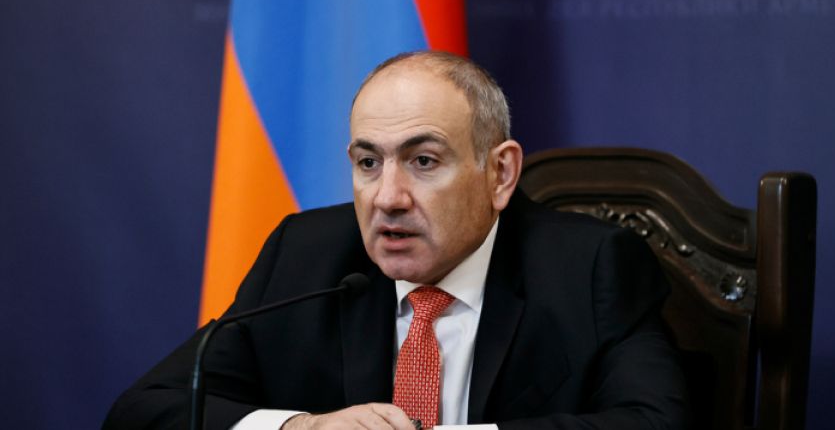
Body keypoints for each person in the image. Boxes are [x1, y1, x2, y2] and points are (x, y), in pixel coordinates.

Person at [104, 51, 688, 430]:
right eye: (368, 162)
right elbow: (144, 410)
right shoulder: (305, 255)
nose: (387, 197)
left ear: (499, 174)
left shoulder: (589, 267)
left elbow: (654, 422)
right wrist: (302, 426)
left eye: (423, 161)